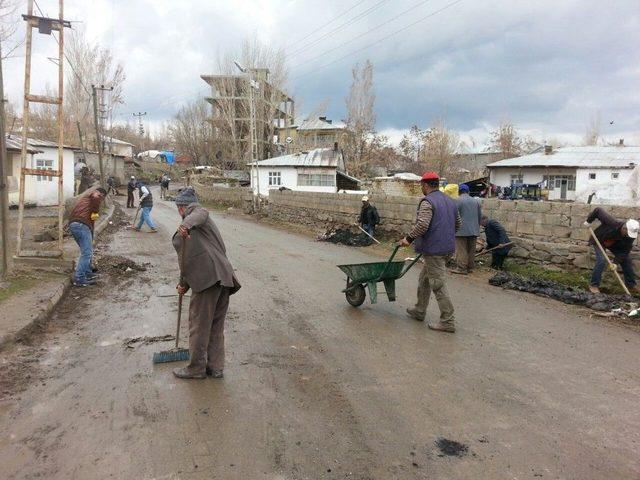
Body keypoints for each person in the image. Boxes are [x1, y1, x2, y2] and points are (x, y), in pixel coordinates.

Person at [172, 187, 241, 379]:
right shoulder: (197, 229)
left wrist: (185, 225)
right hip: (224, 278)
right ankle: (215, 367)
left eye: (179, 209)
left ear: (181, 208)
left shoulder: (196, 215)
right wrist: (183, 284)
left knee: (199, 326)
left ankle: (196, 369)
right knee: (215, 327)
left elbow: (200, 212)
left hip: (209, 280)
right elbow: (189, 259)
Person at [400, 172, 461, 333]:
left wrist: (408, 238)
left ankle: (448, 321)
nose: (422, 188)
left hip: (434, 251)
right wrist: (445, 236)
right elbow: (458, 224)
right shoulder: (450, 201)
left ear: (426, 185)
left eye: (421, 185)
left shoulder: (428, 202)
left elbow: (422, 225)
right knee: (424, 279)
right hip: (446, 248)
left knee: (438, 284)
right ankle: (419, 310)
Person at [584, 207, 639, 294]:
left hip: (614, 245)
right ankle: (594, 285)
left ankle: (631, 285)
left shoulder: (630, 237)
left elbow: (624, 252)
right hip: (600, 240)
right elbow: (598, 210)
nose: (629, 236)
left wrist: (615, 263)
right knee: (601, 260)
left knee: (627, 260)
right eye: (628, 233)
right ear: (624, 228)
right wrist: (588, 221)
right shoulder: (612, 223)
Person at [68, 187, 107, 287]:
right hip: (81, 224)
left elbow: (91, 221)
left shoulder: (86, 198)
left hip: (76, 224)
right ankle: (79, 278)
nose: (101, 201)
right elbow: (96, 197)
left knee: (86, 250)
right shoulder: (95, 195)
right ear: (102, 195)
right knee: (87, 253)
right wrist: (96, 211)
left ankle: (87, 272)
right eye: (102, 199)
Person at [452, 184, 481, 274]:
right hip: (474, 229)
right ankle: (470, 267)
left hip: (461, 230)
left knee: (461, 249)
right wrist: (477, 226)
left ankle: (461, 268)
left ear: (459, 192)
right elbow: (479, 215)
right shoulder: (475, 201)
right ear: (468, 192)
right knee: (471, 249)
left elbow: (454, 216)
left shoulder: (457, 201)